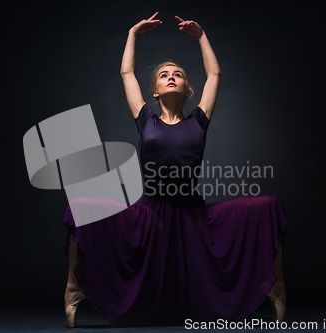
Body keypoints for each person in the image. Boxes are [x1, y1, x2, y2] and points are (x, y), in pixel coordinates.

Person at [63, 12, 289, 328]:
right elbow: (126, 72)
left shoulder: (199, 120)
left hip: (193, 217)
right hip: (148, 217)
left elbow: (215, 74)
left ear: (186, 91)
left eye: (178, 74)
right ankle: (74, 289)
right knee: (80, 209)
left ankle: (275, 288)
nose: (171, 76)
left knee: (268, 206)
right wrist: (131, 33)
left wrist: (200, 36)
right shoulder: (145, 120)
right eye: (164, 74)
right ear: (154, 91)